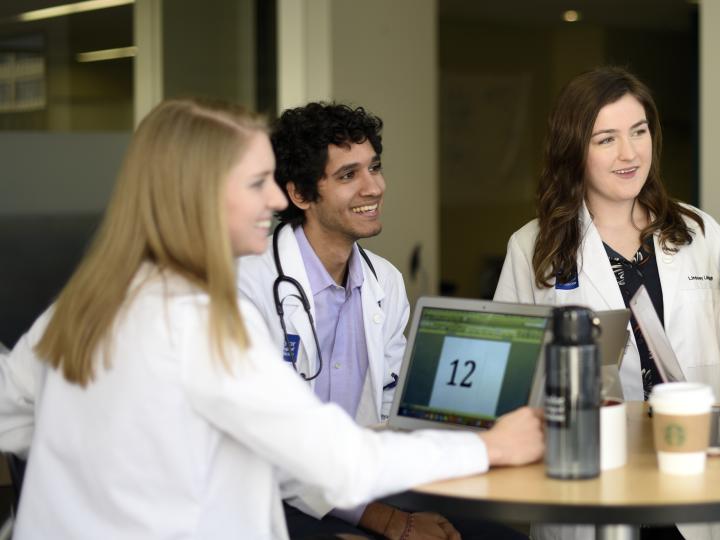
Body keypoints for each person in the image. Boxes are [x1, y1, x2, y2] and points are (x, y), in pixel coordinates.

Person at [0, 99, 543, 538]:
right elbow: (332, 459)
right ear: (199, 194)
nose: (276, 199)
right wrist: (488, 446)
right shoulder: (198, 321)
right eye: (256, 183)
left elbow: (12, 412)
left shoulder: (95, 298)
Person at [237, 102, 522, 540]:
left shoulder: (383, 283)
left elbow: (393, 411)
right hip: (273, 496)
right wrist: (390, 521)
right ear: (299, 195)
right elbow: (274, 449)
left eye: (375, 167)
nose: (374, 187)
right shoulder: (249, 288)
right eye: (349, 175)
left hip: (366, 480)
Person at [494, 66, 720, 540]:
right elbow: (511, 381)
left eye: (639, 132)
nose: (629, 154)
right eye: (605, 139)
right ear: (574, 150)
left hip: (697, 485)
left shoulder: (701, 235)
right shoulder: (532, 248)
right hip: (590, 489)